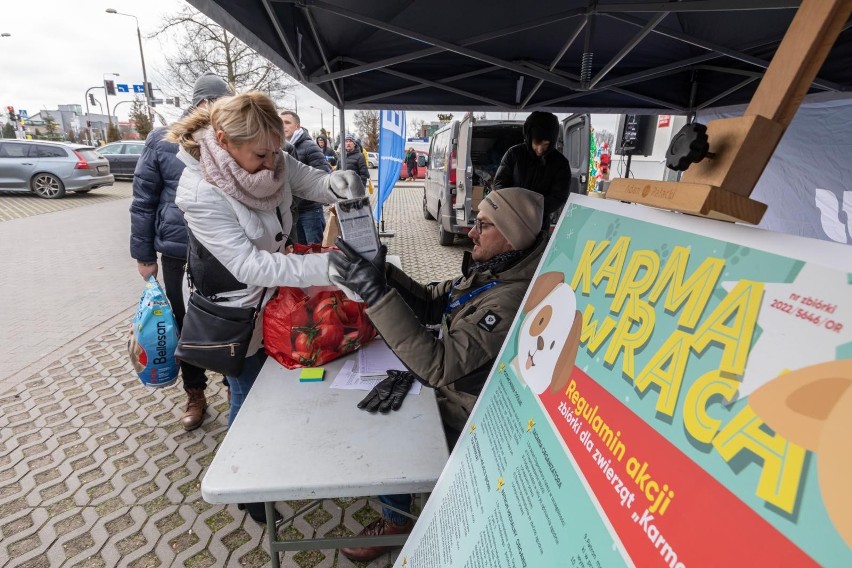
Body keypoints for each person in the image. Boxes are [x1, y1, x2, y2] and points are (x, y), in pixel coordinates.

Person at [169, 91, 364, 523]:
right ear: (223, 139)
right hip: (235, 308)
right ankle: (250, 487)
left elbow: (308, 180)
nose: (272, 161)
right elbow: (248, 264)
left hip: (274, 300)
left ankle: (274, 458)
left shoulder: (271, 154)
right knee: (247, 393)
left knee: (272, 391)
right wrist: (329, 266)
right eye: (261, 154)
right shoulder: (201, 191)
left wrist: (337, 183)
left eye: (276, 150)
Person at [330, 187, 547, 562]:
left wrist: (375, 295)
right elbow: (433, 303)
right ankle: (398, 504)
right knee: (369, 409)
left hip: (471, 414)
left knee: (386, 429)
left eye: (482, 224)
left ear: (510, 236)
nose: (470, 232)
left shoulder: (511, 299)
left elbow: (437, 366)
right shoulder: (493, 269)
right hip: (449, 391)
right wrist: (383, 273)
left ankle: (398, 520)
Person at [130, 71, 231, 431]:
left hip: (220, 249)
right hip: (177, 251)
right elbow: (143, 202)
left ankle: (232, 386)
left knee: (226, 321)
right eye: (219, 103)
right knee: (184, 324)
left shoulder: (228, 136)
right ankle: (195, 393)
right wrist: (144, 256)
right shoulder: (163, 140)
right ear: (203, 103)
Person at [493, 110, 579, 228]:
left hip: (539, 223)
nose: (540, 149)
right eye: (537, 142)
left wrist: (532, 209)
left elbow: (559, 196)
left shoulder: (560, 163)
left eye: (545, 144)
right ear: (529, 138)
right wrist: (515, 206)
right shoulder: (514, 154)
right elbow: (499, 184)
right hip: (511, 218)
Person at [280, 110, 332, 245]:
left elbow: (323, 177)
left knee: (314, 250)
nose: (283, 126)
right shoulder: (281, 147)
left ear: (297, 126)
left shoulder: (310, 147)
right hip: (292, 212)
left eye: (287, 122)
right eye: (280, 123)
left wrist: (299, 198)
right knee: (299, 251)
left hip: (310, 211)